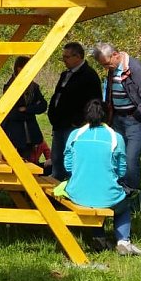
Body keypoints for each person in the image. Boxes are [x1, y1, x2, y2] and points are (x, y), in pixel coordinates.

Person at [63, 99, 141, 256]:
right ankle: (123, 241)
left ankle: (98, 236)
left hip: (78, 193)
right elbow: (121, 170)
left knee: (92, 201)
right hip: (107, 194)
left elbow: (68, 166)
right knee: (123, 205)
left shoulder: (75, 135)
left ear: (85, 115)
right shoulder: (116, 137)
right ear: (108, 116)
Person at [92, 42, 141, 198]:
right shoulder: (113, 69)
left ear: (115, 54)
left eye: (107, 64)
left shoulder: (135, 69)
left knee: (131, 159)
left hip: (135, 120)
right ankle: (119, 194)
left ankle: (134, 197)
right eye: (103, 66)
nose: (106, 68)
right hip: (117, 119)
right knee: (117, 156)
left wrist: (137, 116)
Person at [47, 42, 102, 181]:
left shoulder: (89, 76)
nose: (64, 60)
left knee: (71, 160)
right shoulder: (65, 74)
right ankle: (55, 191)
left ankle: (72, 189)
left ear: (77, 56)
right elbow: (58, 95)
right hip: (59, 124)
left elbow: (94, 102)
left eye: (66, 57)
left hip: (74, 126)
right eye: (63, 57)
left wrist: (79, 122)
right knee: (57, 159)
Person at [1, 56, 47, 159]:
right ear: (18, 68)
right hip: (13, 131)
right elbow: (12, 111)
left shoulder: (34, 87)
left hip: (29, 132)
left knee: (28, 162)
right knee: (9, 160)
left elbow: (43, 106)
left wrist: (27, 109)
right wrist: (28, 111)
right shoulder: (10, 86)